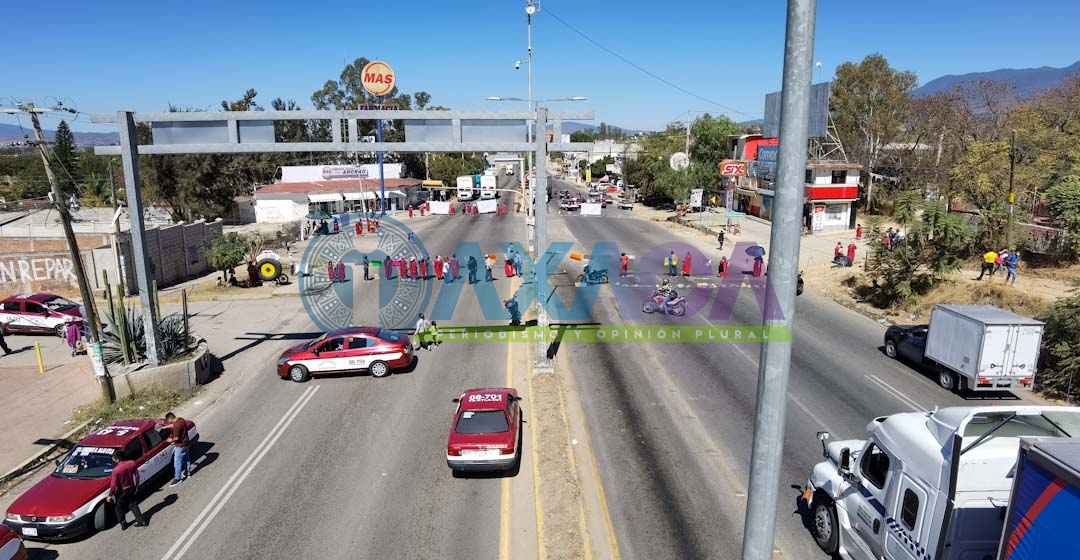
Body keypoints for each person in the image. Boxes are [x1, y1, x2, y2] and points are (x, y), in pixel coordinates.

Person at [109, 450, 146, 529]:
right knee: (132, 504)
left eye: (113, 458)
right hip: (131, 487)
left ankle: (123, 523)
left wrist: (110, 495)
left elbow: (113, 485)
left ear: (117, 459)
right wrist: (136, 486)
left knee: (118, 507)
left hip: (122, 491)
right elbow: (137, 476)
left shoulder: (116, 470)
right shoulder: (132, 463)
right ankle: (141, 520)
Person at [165, 412, 191, 486]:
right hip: (186, 442)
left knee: (177, 462)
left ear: (170, 418)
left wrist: (170, 440)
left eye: (168, 421)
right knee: (186, 458)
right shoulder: (181, 420)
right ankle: (188, 472)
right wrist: (166, 427)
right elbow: (174, 425)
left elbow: (176, 438)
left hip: (180, 445)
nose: (168, 422)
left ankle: (177, 478)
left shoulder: (176, 426)